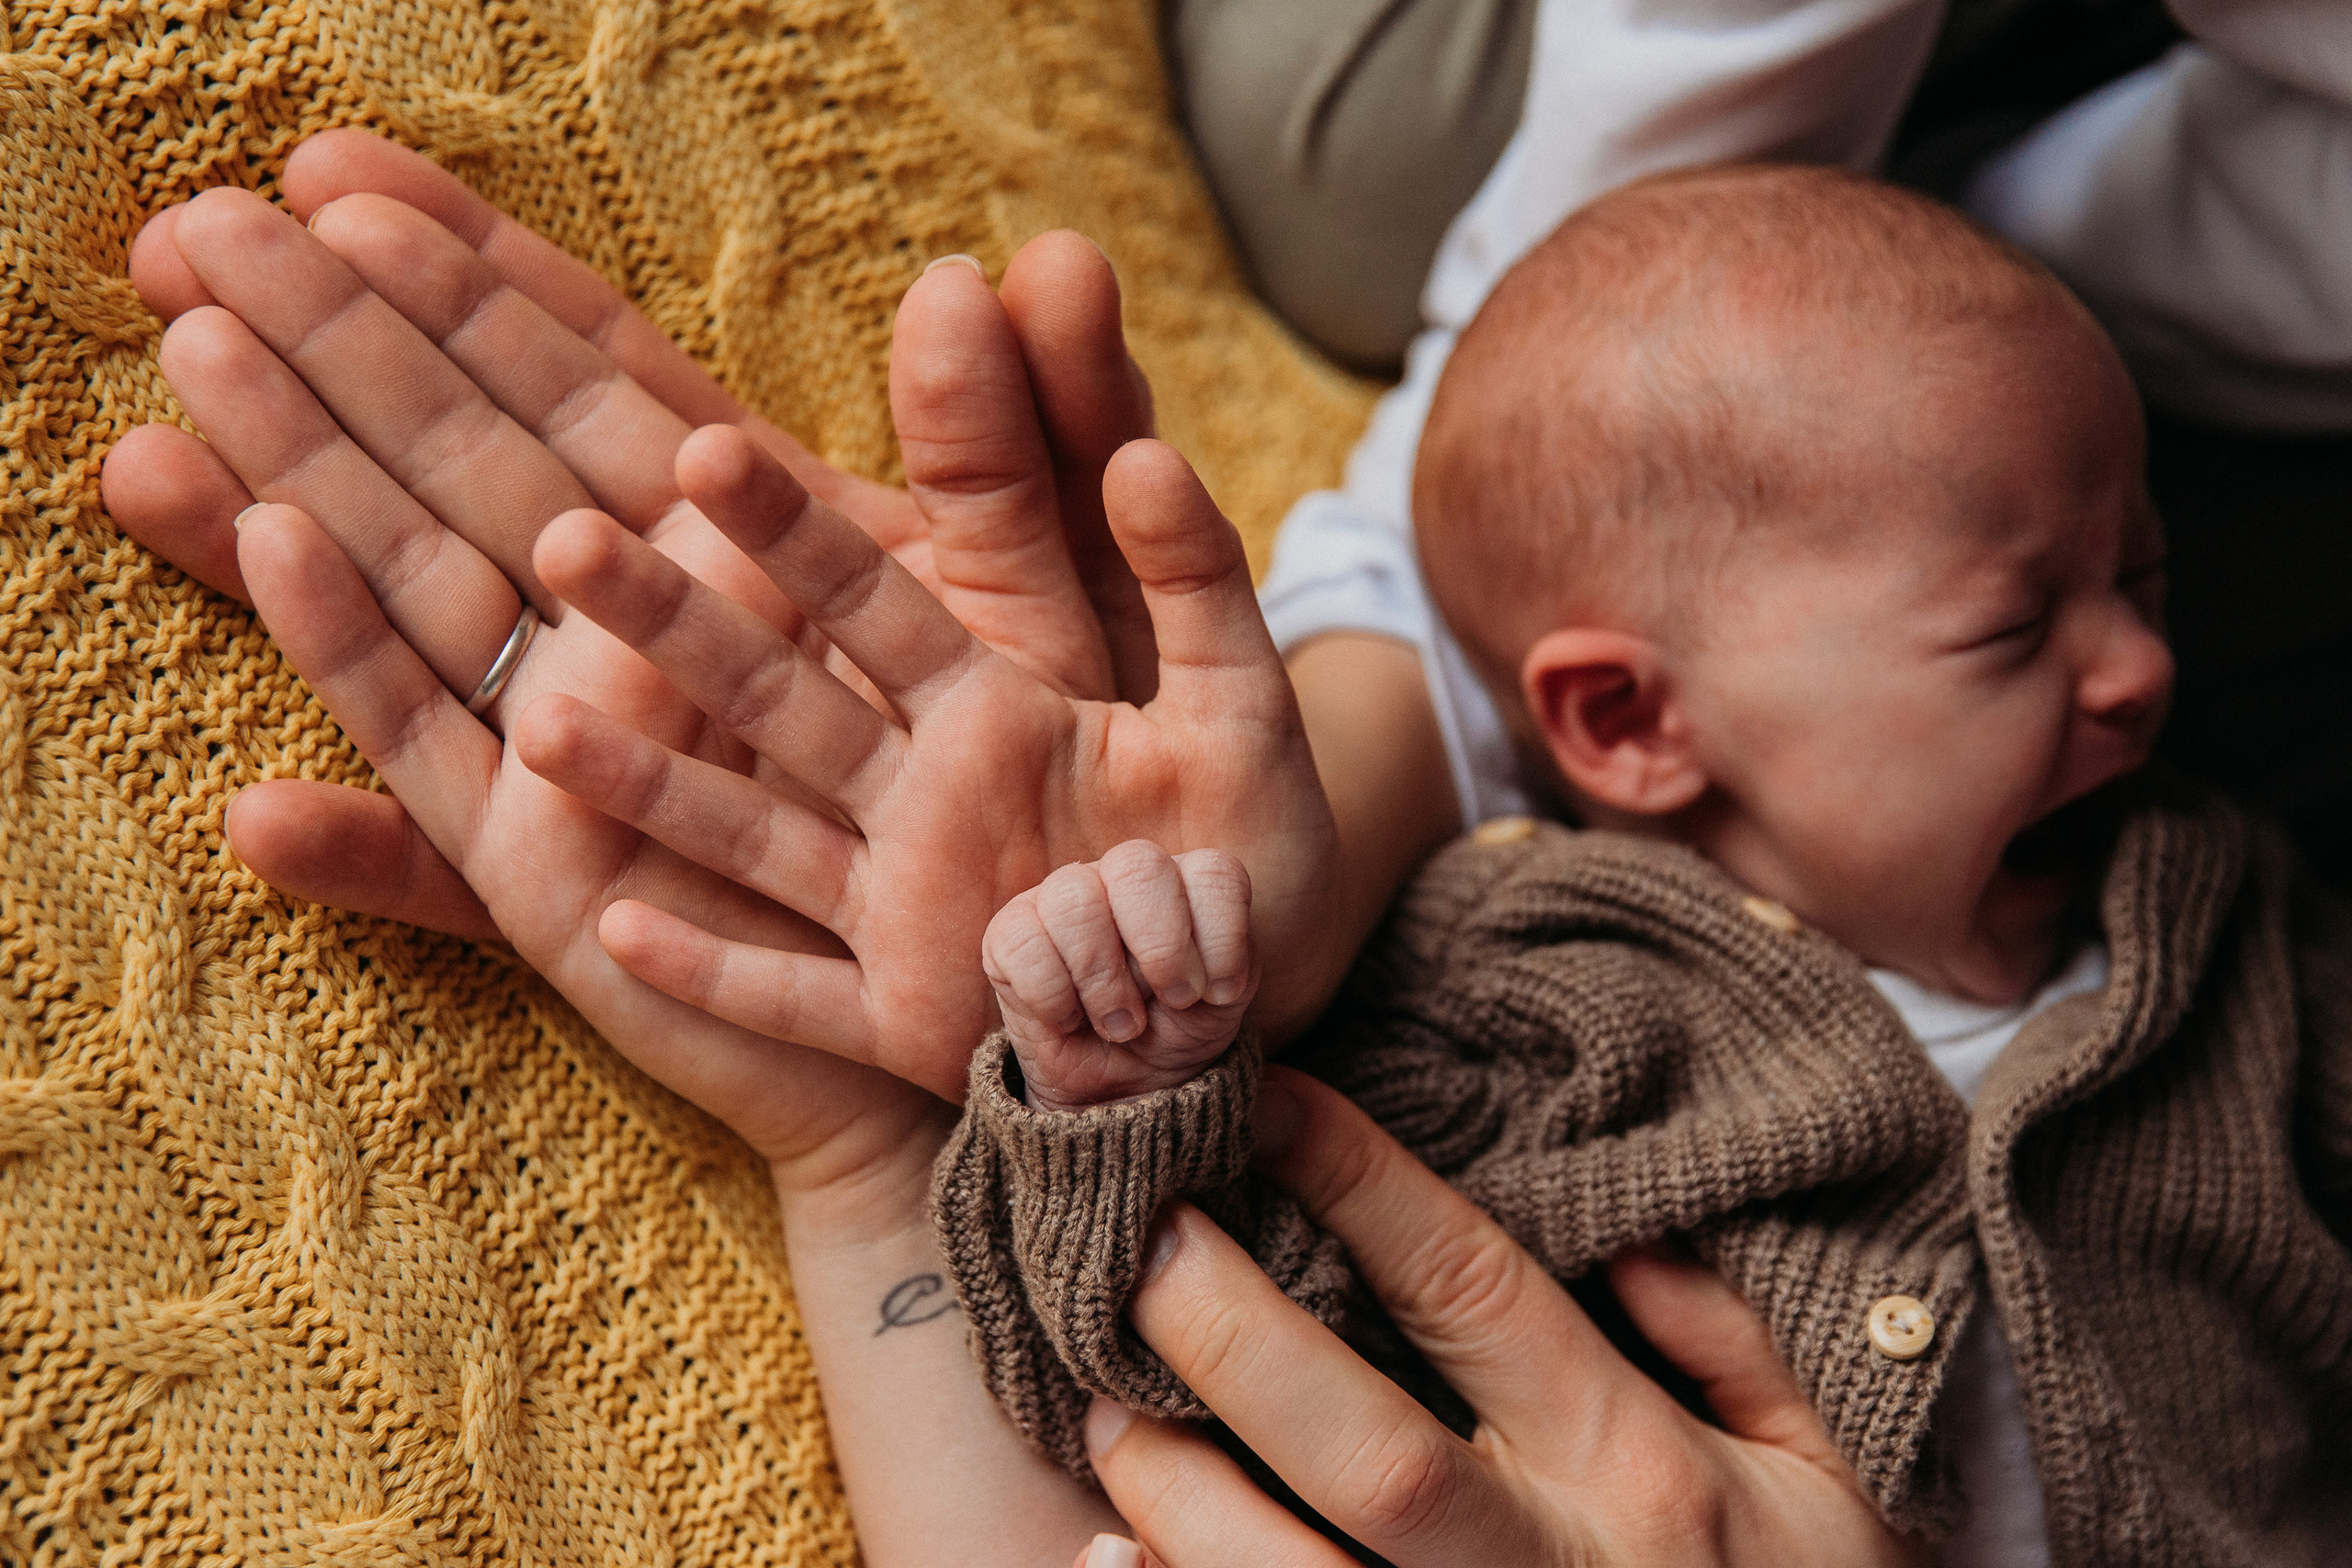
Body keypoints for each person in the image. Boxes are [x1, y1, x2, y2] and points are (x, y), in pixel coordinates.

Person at [101, 135, 1919, 1565]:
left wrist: (901, 1161)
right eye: (2016, 615)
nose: (2131, 663)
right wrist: (922, 1134)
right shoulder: (1653, 979)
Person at [913, 168, 2348, 1566]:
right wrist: (1124, 1104)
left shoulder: (2217, 918)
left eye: (2142, 579)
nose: (2144, 667)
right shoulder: (1519, 991)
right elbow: (1158, 1372)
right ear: (1633, 721)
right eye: (2016, 626)